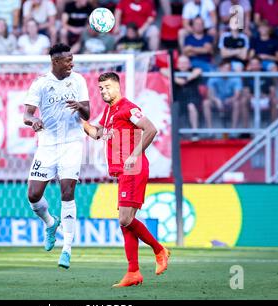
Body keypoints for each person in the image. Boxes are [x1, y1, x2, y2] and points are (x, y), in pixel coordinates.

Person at [82, 72, 170, 287]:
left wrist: (134, 155)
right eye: (101, 88)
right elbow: (96, 134)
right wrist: (78, 119)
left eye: (108, 87)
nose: (104, 91)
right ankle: (133, 272)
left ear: (118, 87)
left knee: (125, 219)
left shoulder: (128, 108)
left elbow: (151, 129)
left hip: (133, 168)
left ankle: (159, 250)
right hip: (123, 171)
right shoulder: (110, 111)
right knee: (126, 222)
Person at [23, 43, 90, 269]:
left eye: (72, 59)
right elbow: (27, 114)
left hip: (72, 142)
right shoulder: (41, 83)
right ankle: (51, 224)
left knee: (67, 190)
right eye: (67, 60)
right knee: (33, 195)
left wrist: (79, 105)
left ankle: (67, 249)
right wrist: (34, 121)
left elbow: (88, 113)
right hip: (47, 144)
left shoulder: (78, 80)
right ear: (55, 62)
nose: (72, 63)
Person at [203, 60, 243, 129]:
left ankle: (234, 129)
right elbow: (210, 94)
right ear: (219, 69)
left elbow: (237, 95)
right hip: (216, 102)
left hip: (230, 101)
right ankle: (210, 129)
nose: (225, 70)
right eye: (223, 68)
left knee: (237, 103)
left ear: (231, 70)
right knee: (206, 103)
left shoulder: (236, 78)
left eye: (228, 68)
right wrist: (216, 100)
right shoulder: (213, 78)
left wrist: (231, 99)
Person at [173, 55, 203, 140]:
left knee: (191, 106)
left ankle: (195, 133)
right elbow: (163, 70)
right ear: (177, 64)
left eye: (185, 63)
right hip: (178, 100)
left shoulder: (193, 70)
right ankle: (177, 134)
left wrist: (187, 79)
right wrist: (176, 79)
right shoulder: (174, 72)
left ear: (189, 64)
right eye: (181, 63)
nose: (182, 65)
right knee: (174, 108)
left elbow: (199, 70)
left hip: (193, 99)